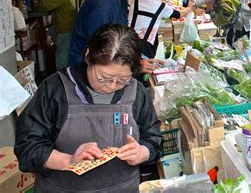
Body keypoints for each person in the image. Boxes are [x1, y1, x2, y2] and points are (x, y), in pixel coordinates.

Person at [15, 24, 162, 192]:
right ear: (88, 57)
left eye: (123, 80)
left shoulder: (137, 92)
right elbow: (27, 147)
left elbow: (154, 139)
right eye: (104, 78)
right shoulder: (55, 89)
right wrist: (69, 160)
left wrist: (142, 152)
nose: (112, 86)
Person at [69, 0, 161, 69]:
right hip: (89, 70)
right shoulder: (103, 4)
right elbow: (102, 49)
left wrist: (138, 62)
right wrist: (136, 66)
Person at [129, 0, 193, 59]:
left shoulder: (135, 0)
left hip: (128, 40)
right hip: (145, 45)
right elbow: (179, 15)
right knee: (141, 67)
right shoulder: (160, 6)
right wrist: (189, 8)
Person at [36, 0, 77, 70]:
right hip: (68, 27)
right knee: (65, 52)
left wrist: (36, 5)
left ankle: (61, 75)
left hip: (65, 28)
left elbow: (46, 5)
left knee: (61, 53)